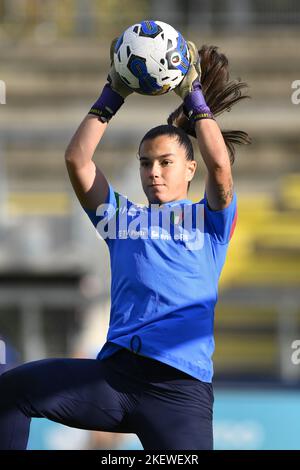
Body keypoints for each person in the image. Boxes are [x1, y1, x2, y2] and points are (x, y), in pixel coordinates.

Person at [0, 38, 251, 450]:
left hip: (178, 392)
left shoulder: (210, 221)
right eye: (145, 162)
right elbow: (77, 161)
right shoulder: (122, 219)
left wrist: (193, 93)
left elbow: (221, 166)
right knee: (12, 391)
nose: (154, 172)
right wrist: (113, 92)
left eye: (166, 162)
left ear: (190, 168)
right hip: (115, 379)